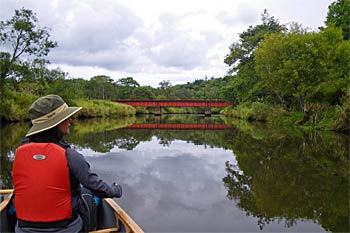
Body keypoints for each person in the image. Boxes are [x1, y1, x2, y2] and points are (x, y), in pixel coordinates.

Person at [12, 95, 123, 232]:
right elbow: (98, 188)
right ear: (56, 123)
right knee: (86, 193)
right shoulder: (70, 155)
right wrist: (115, 191)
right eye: (66, 117)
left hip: (23, 229)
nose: (70, 120)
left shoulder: (19, 152)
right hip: (67, 229)